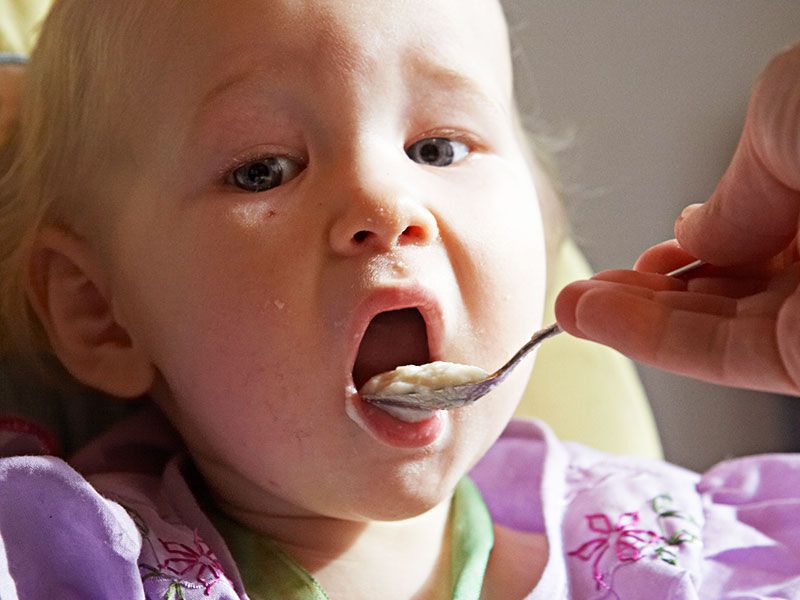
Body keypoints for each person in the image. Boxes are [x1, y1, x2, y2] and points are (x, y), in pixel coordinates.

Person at [0, 2, 798, 599]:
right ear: (100, 311)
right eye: (263, 171)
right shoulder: (65, 566)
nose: (387, 204)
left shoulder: (690, 557)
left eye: (438, 149)